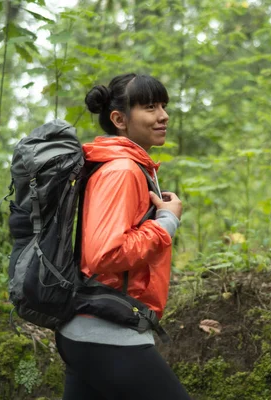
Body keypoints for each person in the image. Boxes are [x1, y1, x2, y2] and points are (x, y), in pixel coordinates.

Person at [55, 73, 191, 400]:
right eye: (149, 107)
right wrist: (166, 224)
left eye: (163, 106)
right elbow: (104, 254)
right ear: (119, 119)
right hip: (108, 333)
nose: (163, 115)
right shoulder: (121, 170)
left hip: (89, 330)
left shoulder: (126, 166)